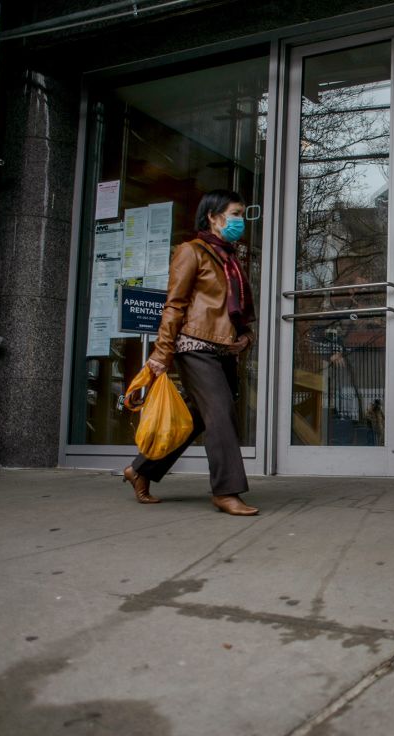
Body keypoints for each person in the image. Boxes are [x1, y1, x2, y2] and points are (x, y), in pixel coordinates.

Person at [122, 189, 259, 516]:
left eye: (242, 214)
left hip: (223, 347)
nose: (241, 220)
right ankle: (226, 491)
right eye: (235, 213)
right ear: (213, 216)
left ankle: (141, 470)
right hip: (194, 344)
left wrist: (246, 338)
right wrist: (161, 353)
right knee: (221, 412)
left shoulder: (230, 258)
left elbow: (233, 311)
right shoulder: (191, 252)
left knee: (200, 417)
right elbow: (175, 305)